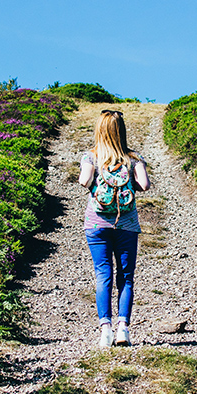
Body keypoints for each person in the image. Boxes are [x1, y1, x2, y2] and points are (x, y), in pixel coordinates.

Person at [79, 109, 151, 347]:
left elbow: (83, 181)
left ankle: (105, 330)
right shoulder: (134, 158)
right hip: (127, 225)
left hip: (97, 224)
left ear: (99, 130)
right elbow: (145, 185)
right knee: (126, 277)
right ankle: (124, 329)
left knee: (103, 274)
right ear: (121, 131)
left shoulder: (91, 157)